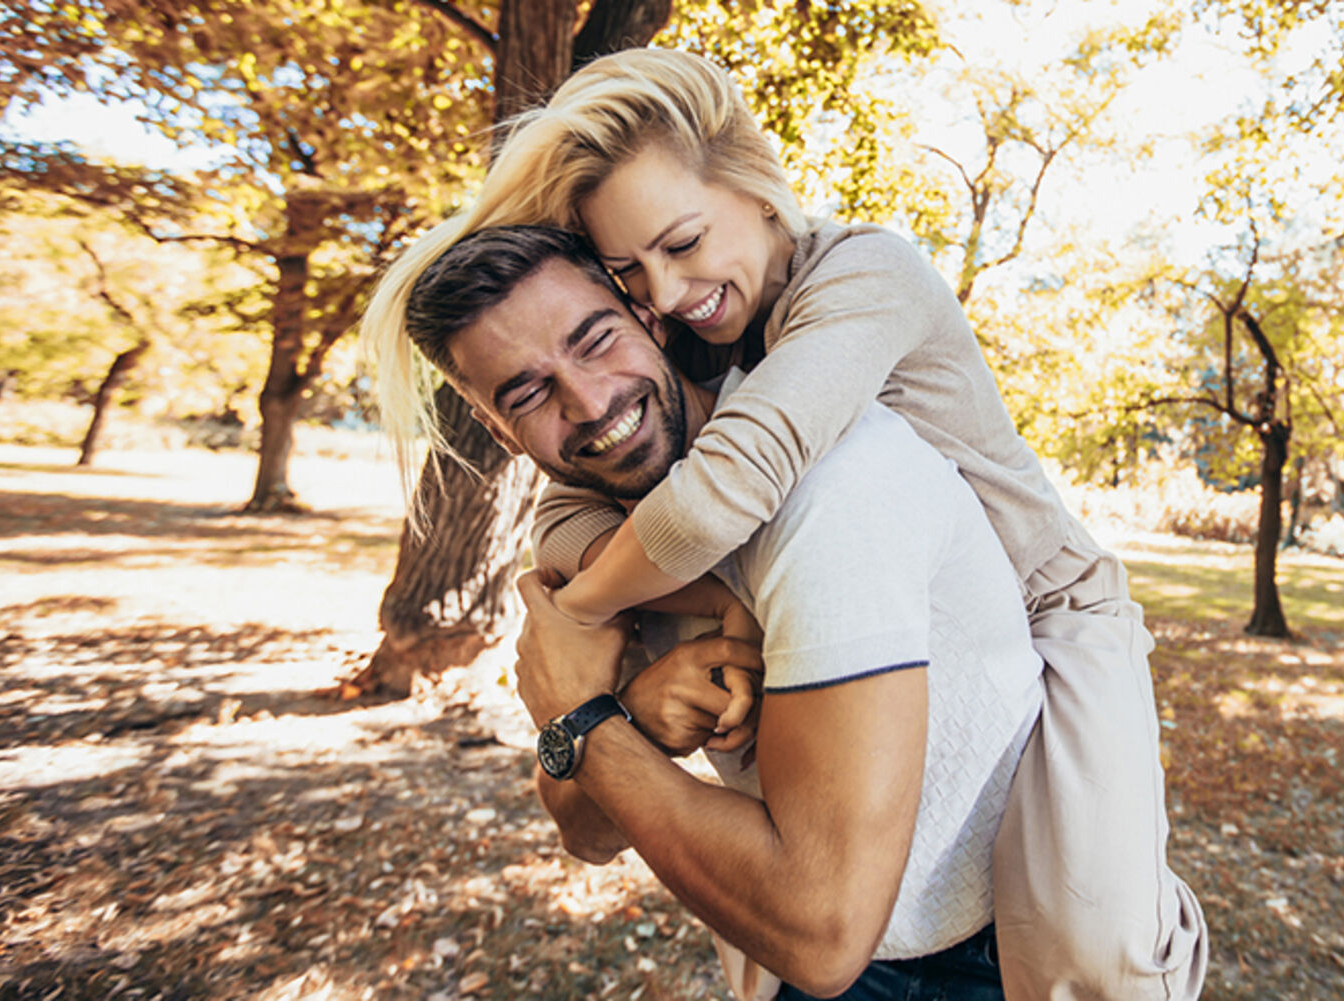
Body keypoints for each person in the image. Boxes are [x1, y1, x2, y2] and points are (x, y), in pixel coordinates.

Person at [362, 47, 1207, 1001]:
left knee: (1098, 939)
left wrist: (579, 622)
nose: (670, 291)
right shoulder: (673, 386)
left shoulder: (858, 293)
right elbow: (581, 792)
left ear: (762, 192)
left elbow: (732, 490)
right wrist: (610, 712)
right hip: (823, 941)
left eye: (680, 248)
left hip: (1061, 605)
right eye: (635, 274)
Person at [405, 223, 1044, 999]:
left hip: (985, 960)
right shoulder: (605, 537)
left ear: (649, 318)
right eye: (529, 392)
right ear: (503, 434)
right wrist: (625, 716)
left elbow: (825, 931)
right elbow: (583, 828)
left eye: (595, 338)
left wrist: (581, 719)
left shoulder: (831, 487)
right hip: (798, 951)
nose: (590, 399)